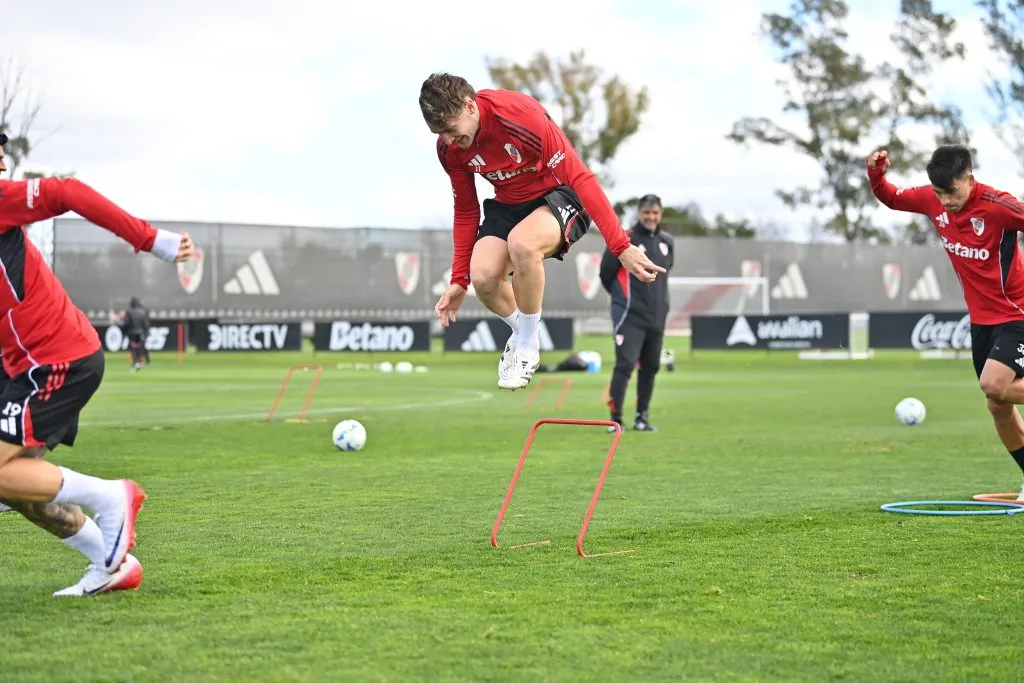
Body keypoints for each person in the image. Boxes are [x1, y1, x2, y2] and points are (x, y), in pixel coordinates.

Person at [0, 132, 196, 595]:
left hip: (56, 359)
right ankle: (112, 565)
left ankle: (111, 498)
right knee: (18, 485)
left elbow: (67, 191)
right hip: (25, 367)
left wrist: (151, 239)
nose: (3, 160)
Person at [420, 73, 666, 390]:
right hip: (508, 203)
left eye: (451, 130)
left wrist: (620, 246)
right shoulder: (449, 149)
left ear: (469, 106)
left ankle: (526, 347)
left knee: (522, 244)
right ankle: (526, 333)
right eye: (439, 134)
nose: (448, 141)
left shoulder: (520, 115)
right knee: (482, 277)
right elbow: (466, 211)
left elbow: (580, 177)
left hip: (560, 195)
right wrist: (459, 280)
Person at [868, 144, 1024, 499]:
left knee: (994, 384)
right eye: (939, 193)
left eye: (951, 192)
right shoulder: (932, 200)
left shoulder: (998, 205)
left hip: (1017, 314)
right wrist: (876, 174)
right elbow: (891, 198)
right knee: (998, 406)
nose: (945, 201)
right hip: (982, 323)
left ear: (969, 179)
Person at [599, 194, 674, 432]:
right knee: (625, 364)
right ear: (639, 213)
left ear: (660, 214)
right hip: (629, 315)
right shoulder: (624, 239)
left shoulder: (667, 241)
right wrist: (622, 300)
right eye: (646, 213)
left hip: (656, 316)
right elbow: (606, 273)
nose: (651, 217)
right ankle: (616, 419)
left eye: (655, 213)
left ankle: (642, 418)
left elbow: (664, 274)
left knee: (651, 367)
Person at [122, 296, 151, 371]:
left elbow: (126, 323)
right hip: (141, 332)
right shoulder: (142, 312)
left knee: (132, 348)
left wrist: (125, 332)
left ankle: (135, 362)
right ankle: (139, 361)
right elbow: (145, 324)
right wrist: (146, 333)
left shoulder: (129, 312)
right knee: (140, 347)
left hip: (131, 333)